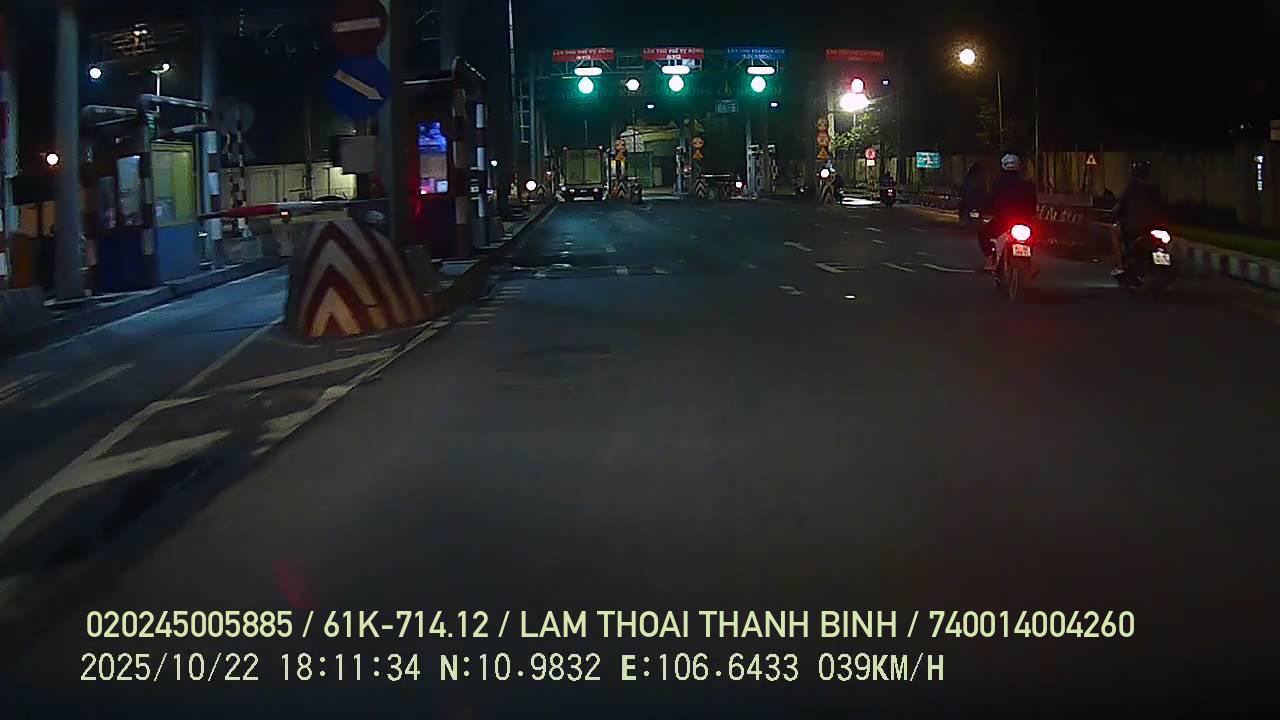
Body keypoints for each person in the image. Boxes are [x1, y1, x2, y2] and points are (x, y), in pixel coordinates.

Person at [979, 153, 1037, 271]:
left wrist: (985, 210)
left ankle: (990, 259)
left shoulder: (998, 184)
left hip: (1003, 221)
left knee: (983, 234)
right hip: (1024, 221)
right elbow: (1033, 203)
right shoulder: (1027, 184)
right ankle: (1029, 261)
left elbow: (989, 201)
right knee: (1033, 236)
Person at [1109, 160, 1167, 276]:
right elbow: (1162, 206)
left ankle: (1120, 267)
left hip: (1135, 227)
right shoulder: (1154, 188)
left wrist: (1113, 213)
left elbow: (1120, 205)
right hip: (1155, 226)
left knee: (1114, 231)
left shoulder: (1132, 186)